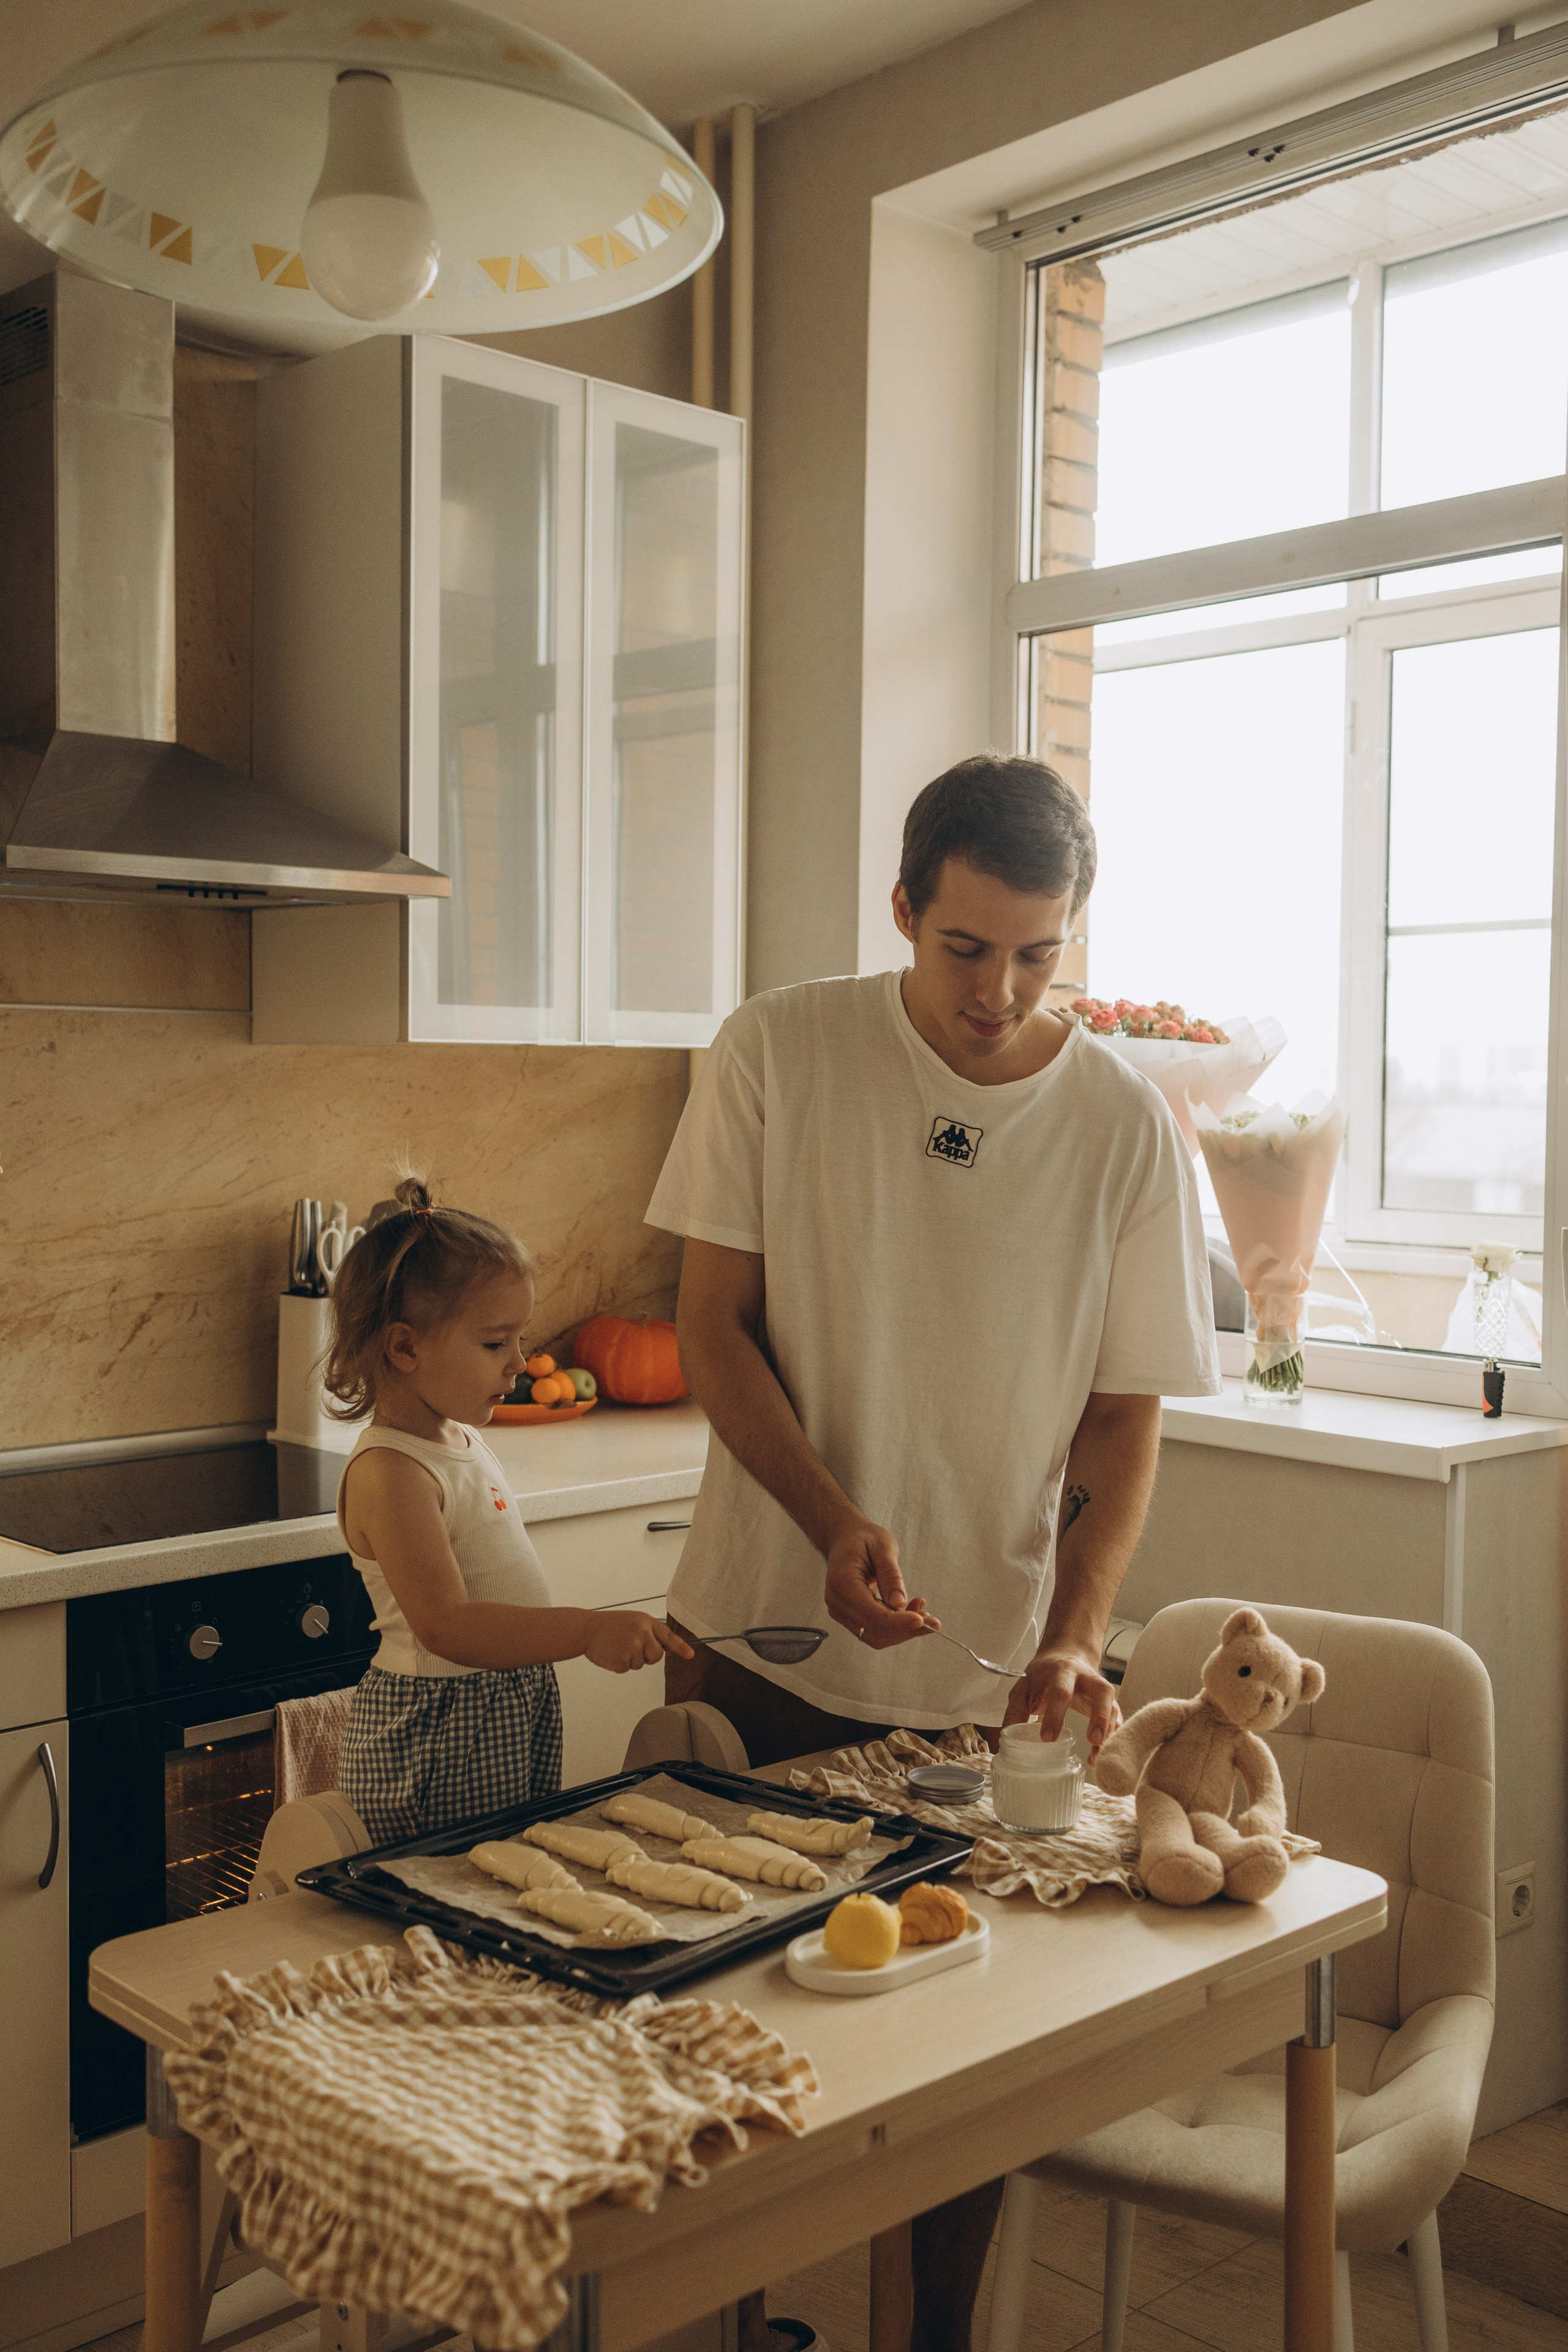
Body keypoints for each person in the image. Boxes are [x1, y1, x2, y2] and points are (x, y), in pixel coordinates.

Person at [646, 754, 1220, 2352]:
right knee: (719, 2042)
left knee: (956, 2070)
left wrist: (1071, 1635)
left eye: (1039, 954)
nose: (1002, 990)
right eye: (968, 948)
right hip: (753, 1640)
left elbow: (1123, 1416)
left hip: (973, 1688)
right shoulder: (782, 1046)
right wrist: (831, 1520)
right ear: (905, 909)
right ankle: (726, 2326)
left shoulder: (1122, 1124)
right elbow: (711, 1326)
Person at [326, 1175, 692, 1843]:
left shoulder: (458, 1438)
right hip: (437, 1730)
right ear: (404, 1348)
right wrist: (583, 1632)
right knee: (447, 1889)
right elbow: (448, 1626)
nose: (520, 1362)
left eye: (519, 1340)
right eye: (496, 1344)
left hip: (501, 1706)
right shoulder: (392, 1473)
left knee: (501, 1873)